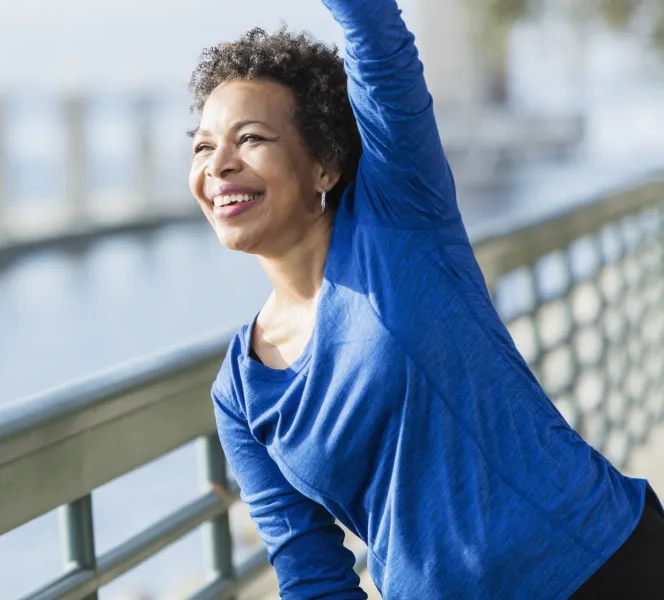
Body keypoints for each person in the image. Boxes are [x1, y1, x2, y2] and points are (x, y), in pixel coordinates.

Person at [186, 0, 664, 597]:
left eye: (250, 138)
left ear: (325, 167)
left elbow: (377, 37)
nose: (219, 165)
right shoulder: (240, 392)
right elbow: (312, 577)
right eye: (203, 147)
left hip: (600, 566)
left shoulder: (400, 215)